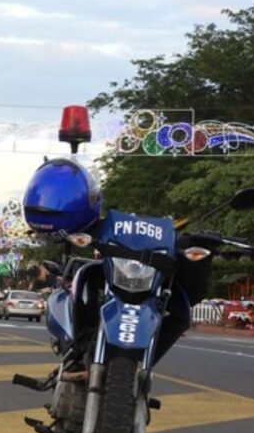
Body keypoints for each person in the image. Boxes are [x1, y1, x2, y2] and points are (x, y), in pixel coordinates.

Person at [23, 156, 212, 363]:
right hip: (112, 269)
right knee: (86, 275)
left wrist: (209, 239)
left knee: (179, 308)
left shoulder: (156, 228)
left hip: (145, 278)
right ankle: (76, 348)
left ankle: (141, 369)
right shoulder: (106, 226)